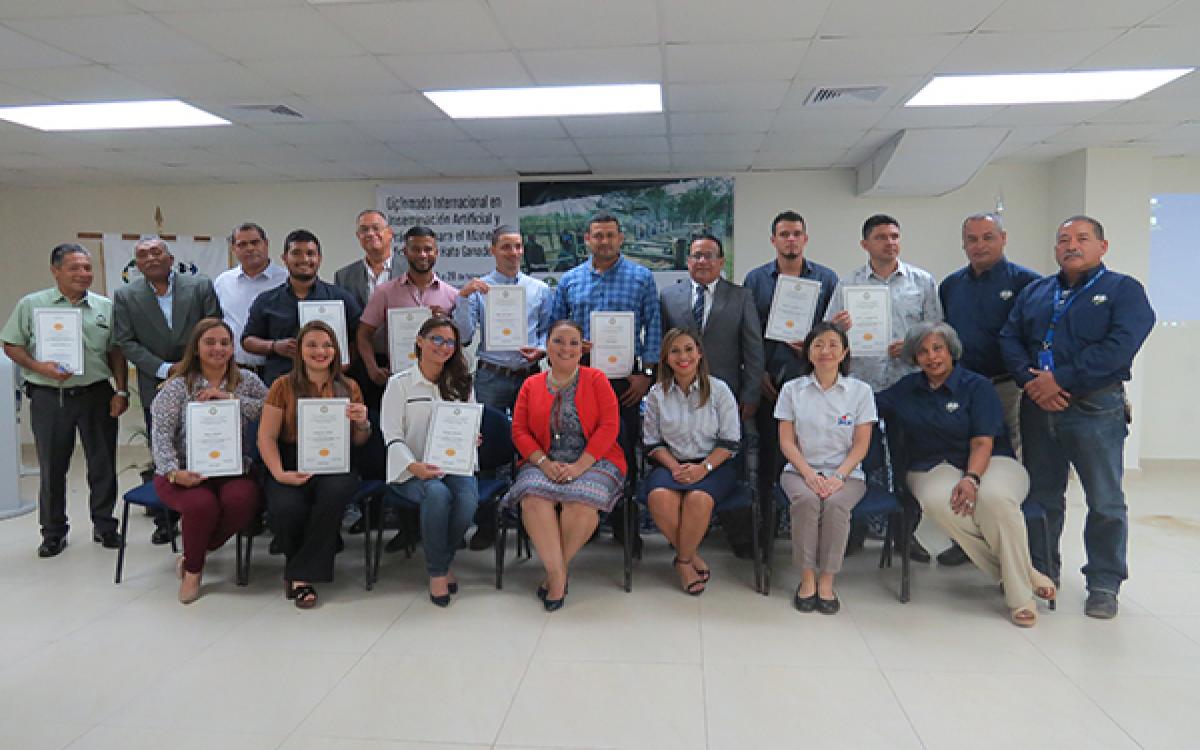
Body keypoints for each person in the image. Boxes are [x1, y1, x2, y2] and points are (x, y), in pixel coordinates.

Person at [999, 215, 1155, 620]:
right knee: (1042, 496)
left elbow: (1119, 347)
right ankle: (1042, 571)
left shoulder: (1123, 291)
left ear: (1102, 247)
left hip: (1094, 407)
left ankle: (1104, 582)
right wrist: (1031, 382)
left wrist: (1061, 379)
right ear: (1055, 250)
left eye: (1082, 239)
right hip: (1037, 406)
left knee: (1104, 500)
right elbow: (1009, 338)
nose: (1072, 245)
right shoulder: (1036, 291)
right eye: (1064, 239)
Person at [878, 321, 1056, 627]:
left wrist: (971, 478)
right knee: (937, 500)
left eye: (938, 349)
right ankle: (1023, 572)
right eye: (922, 352)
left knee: (994, 497)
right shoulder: (906, 390)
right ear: (913, 358)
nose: (932, 357)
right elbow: (866, 406)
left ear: (951, 351)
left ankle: (1020, 597)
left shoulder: (977, 386)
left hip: (991, 460)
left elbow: (982, 441)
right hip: (931, 466)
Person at [826, 213, 942, 560]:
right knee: (861, 459)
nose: (889, 242)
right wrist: (837, 325)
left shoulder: (922, 282)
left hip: (908, 385)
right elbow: (828, 335)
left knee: (908, 460)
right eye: (881, 237)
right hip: (862, 388)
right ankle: (855, 529)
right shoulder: (848, 285)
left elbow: (938, 333)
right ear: (865, 244)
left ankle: (906, 534)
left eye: (894, 236)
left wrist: (911, 347)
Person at [1, 244, 129, 557]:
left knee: (102, 463)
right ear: (55, 270)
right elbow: (11, 344)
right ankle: (53, 532)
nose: (83, 274)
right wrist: (38, 366)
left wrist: (121, 391)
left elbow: (116, 352)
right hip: (49, 395)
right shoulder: (32, 304)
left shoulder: (104, 307)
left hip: (96, 392)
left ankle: (104, 525)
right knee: (52, 466)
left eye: (87, 268)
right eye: (74, 268)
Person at [550, 212, 662, 552]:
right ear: (587, 239)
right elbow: (556, 327)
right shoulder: (569, 280)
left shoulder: (642, 278)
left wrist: (646, 375)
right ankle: (587, 518)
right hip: (578, 379)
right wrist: (570, 343)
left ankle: (625, 525)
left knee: (623, 450)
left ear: (620, 238)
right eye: (598, 236)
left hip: (624, 384)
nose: (604, 241)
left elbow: (653, 326)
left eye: (610, 235)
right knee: (580, 446)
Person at [936, 212, 1040, 567]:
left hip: (1006, 388)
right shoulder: (951, 285)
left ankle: (1016, 548)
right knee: (963, 462)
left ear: (1003, 238)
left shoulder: (1028, 283)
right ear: (963, 243)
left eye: (987, 237)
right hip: (962, 390)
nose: (979, 245)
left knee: (1006, 465)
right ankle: (966, 542)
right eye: (972, 239)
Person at [506, 320, 627, 611]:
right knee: (534, 498)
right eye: (559, 341)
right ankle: (559, 575)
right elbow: (519, 431)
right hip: (542, 459)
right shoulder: (530, 385)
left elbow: (609, 427)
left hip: (596, 460)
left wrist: (580, 467)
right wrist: (544, 463)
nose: (566, 348)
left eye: (574, 342)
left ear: (582, 349)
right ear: (546, 346)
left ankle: (554, 574)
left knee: (581, 505)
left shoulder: (597, 379)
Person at [114, 236, 222, 544]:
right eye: (143, 255)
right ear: (136, 263)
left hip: (203, 381)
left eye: (156, 252)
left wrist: (191, 364)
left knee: (207, 447)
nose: (150, 258)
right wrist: (164, 368)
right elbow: (126, 341)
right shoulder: (125, 295)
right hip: (156, 382)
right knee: (164, 452)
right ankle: (166, 520)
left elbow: (214, 327)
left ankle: (206, 515)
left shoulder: (200, 286)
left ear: (170, 257)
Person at [150, 318, 267, 603]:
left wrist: (230, 398)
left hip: (232, 468)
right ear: (196, 347)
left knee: (242, 501)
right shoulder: (177, 387)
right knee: (201, 505)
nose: (218, 348)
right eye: (210, 342)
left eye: (225, 343)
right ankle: (193, 572)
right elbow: (161, 436)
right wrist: (175, 473)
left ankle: (193, 552)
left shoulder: (247, 381)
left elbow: (271, 411)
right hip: (183, 470)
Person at [257, 321, 371, 608]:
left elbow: (359, 441)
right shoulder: (282, 386)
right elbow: (266, 437)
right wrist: (279, 472)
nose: (320, 351)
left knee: (334, 494)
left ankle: (299, 576)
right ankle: (314, 554)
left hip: (336, 460)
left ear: (336, 350)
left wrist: (363, 423)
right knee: (286, 507)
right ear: (299, 351)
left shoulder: (349, 387)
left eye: (327, 345)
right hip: (290, 458)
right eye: (312, 345)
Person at [452, 225, 553, 550]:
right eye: (506, 247)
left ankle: (531, 520)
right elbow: (464, 336)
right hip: (491, 375)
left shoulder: (539, 289)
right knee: (484, 449)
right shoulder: (481, 289)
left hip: (529, 374)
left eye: (518, 246)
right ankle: (486, 524)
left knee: (534, 446)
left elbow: (548, 332)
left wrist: (542, 349)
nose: (514, 253)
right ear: (493, 250)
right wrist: (463, 297)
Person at [743, 211, 838, 556]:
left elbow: (834, 336)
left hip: (817, 387)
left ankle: (821, 539)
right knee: (770, 463)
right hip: (771, 384)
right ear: (773, 240)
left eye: (797, 233)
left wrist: (815, 340)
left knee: (817, 457)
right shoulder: (756, 280)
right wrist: (759, 375)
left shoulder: (827, 279)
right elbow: (750, 335)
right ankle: (765, 540)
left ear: (805, 238)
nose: (791, 239)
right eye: (784, 234)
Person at [775, 322, 875, 614]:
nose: (825, 351)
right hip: (799, 471)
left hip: (847, 474)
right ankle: (806, 577)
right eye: (818, 345)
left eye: (833, 344)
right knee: (806, 500)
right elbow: (786, 442)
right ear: (808, 352)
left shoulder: (860, 391)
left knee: (836, 505)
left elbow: (861, 444)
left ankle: (827, 580)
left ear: (844, 352)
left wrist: (838, 477)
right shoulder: (793, 390)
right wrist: (809, 475)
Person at [380, 317, 479, 607]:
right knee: (437, 494)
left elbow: (470, 423)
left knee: (467, 501)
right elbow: (391, 435)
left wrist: (473, 436)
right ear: (420, 341)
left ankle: (443, 559)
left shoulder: (462, 383)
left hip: (453, 467)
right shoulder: (399, 385)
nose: (443, 347)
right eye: (436, 339)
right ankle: (438, 571)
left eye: (449, 342)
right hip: (410, 470)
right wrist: (415, 467)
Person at [642, 328, 740, 595]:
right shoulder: (656, 394)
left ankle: (683, 561)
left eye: (688, 349)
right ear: (665, 357)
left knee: (698, 498)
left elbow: (730, 442)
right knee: (660, 497)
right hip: (670, 463)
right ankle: (691, 555)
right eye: (674, 351)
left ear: (699, 353)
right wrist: (674, 467)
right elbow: (651, 442)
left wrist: (703, 468)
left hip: (715, 464)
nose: (682, 356)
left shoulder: (719, 390)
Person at [242, 229, 362, 386]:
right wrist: (274, 346)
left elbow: (359, 338)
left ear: (319, 259)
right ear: (284, 258)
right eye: (296, 253)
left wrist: (344, 363)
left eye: (310, 253)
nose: (304, 259)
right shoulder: (266, 300)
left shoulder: (340, 298)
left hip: (328, 385)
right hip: (280, 384)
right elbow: (247, 340)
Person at [357, 225, 459, 389]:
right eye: (415, 249)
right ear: (405, 252)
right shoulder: (385, 292)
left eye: (428, 249)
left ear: (436, 252)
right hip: (396, 379)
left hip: (438, 381)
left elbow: (460, 340)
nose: (422, 255)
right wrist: (372, 367)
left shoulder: (452, 295)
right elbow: (363, 333)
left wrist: (444, 323)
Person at [336, 209, 406, 409]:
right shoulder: (344, 276)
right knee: (367, 416)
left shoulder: (410, 269)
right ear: (358, 237)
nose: (370, 234)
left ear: (390, 233)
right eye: (364, 230)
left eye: (376, 228)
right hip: (360, 362)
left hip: (402, 359)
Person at [212, 222, 288, 375]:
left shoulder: (286, 280)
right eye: (242, 244)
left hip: (278, 370)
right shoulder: (223, 282)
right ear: (234, 249)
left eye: (255, 242)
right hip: (235, 370)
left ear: (266, 244)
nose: (250, 248)